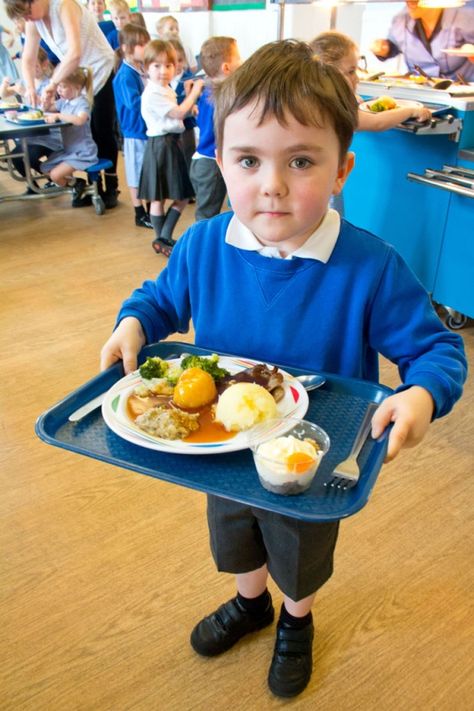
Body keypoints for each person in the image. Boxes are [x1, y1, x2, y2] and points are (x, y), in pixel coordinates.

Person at [99, 40, 467, 698]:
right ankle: (250, 601)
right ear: (221, 161)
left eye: (300, 161)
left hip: (314, 454)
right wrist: (133, 322)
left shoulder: (369, 266)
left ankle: (295, 616)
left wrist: (419, 397)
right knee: (234, 532)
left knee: (300, 550)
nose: (271, 184)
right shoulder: (205, 243)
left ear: (341, 170)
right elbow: (159, 300)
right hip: (220, 441)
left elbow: (437, 350)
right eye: (248, 160)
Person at [5, 0, 120, 209]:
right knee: (83, 131)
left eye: (27, 12)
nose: (28, 19)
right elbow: (28, 58)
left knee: (100, 130)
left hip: (99, 70)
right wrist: (30, 87)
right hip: (75, 77)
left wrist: (53, 84)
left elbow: (74, 53)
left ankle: (110, 184)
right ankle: (90, 183)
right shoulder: (34, 19)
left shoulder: (64, 6)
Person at [138, 39, 203, 257]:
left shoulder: (165, 89)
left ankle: (162, 237)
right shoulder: (153, 92)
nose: (163, 71)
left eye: (168, 66)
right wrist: (195, 93)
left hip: (169, 144)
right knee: (161, 197)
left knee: (180, 195)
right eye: (156, 66)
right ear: (146, 68)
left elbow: (177, 111)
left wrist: (189, 102)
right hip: (161, 145)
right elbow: (177, 114)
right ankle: (163, 238)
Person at [310, 32, 432, 131]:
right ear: (328, 73)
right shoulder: (332, 109)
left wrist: (353, 97)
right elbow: (377, 123)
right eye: (351, 72)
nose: (357, 79)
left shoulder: (316, 98)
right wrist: (411, 111)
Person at [189, 36, 241, 223]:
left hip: (205, 161)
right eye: (239, 59)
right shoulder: (221, 97)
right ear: (226, 68)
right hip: (210, 163)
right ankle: (201, 250)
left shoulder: (209, 90)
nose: (241, 63)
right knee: (205, 217)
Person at [370, 0, 474, 82]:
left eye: (415, 1)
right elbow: (395, 45)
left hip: (461, 89)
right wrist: (384, 48)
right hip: (419, 88)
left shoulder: (464, 13)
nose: (409, 2)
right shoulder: (401, 19)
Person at [112, 23, 152, 229]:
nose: (147, 47)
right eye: (142, 44)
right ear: (128, 47)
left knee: (145, 171)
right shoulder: (126, 75)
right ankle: (139, 213)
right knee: (136, 173)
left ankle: (148, 210)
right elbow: (134, 103)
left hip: (144, 131)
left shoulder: (139, 70)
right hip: (135, 132)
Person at [40, 66, 98, 198]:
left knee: (55, 175)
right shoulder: (64, 102)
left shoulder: (82, 103)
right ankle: (76, 183)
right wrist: (47, 99)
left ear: (77, 87)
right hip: (68, 150)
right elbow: (47, 109)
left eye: (63, 86)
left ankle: (75, 185)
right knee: (44, 168)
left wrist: (59, 116)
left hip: (82, 151)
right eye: (58, 86)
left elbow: (80, 120)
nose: (59, 90)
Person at [168, 38, 196, 171]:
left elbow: (196, 102)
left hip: (186, 128)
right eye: (172, 62)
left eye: (180, 60)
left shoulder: (189, 79)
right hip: (169, 129)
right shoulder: (163, 81)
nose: (177, 65)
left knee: (188, 156)